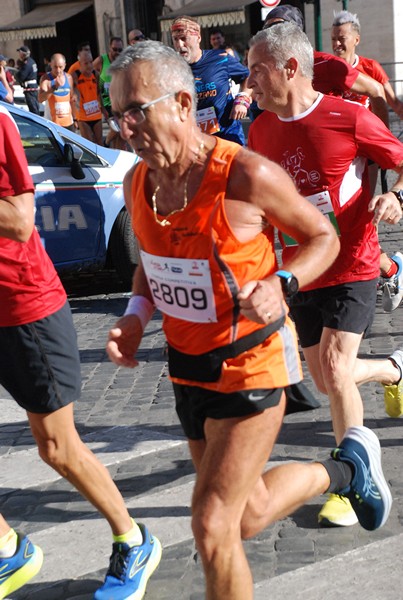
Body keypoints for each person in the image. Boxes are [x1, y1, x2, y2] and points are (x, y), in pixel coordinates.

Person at [106, 41, 392, 600]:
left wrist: (282, 283)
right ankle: (345, 472)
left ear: (184, 104)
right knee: (246, 513)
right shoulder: (137, 183)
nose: (126, 126)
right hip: (189, 370)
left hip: (253, 364)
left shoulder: (244, 175)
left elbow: (322, 237)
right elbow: (152, 262)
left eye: (137, 109)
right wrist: (137, 316)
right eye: (118, 114)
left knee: (213, 525)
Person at [0, 103, 161, 599]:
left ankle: (134, 540)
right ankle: (7, 549)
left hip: (23, 307)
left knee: (56, 446)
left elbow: (20, 218)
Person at [247, 22, 403, 532]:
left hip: (354, 258)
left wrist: (395, 195)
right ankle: (393, 371)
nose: (249, 82)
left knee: (335, 368)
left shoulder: (349, 117)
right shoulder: (259, 129)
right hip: (300, 270)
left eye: (257, 71)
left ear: (289, 69)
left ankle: (351, 477)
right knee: (324, 377)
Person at [331, 9, 403, 312]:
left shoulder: (371, 68)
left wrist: (386, 142)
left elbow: (392, 103)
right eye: (333, 39)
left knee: (360, 215)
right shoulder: (330, 70)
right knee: (344, 220)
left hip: (367, 157)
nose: (336, 44)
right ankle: (386, 268)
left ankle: (380, 269)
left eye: (342, 38)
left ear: (356, 39)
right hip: (338, 158)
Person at [171, 16, 251, 145]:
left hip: (228, 135)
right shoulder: (173, 69)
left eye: (184, 39)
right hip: (197, 140)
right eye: (175, 39)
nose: (180, 45)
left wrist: (242, 99)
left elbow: (247, 77)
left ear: (198, 38)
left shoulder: (220, 58)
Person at [93, 36, 127, 150]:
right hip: (106, 101)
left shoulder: (123, 62)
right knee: (118, 128)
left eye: (120, 50)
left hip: (119, 101)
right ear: (109, 48)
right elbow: (90, 74)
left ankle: (116, 153)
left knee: (120, 134)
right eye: (114, 49)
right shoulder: (102, 60)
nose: (117, 52)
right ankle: (106, 142)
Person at [38, 53, 77, 131]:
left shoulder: (69, 78)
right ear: (51, 65)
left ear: (65, 65)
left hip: (68, 123)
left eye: (60, 67)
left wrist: (75, 119)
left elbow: (72, 100)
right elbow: (41, 99)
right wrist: (54, 87)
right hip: (52, 124)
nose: (58, 70)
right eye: (55, 67)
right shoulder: (46, 79)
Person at [72, 51, 103, 145]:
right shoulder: (75, 76)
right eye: (86, 63)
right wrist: (74, 117)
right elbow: (71, 96)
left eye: (91, 62)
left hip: (96, 114)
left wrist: (104, 110)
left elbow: (99, 92)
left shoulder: (96, 74)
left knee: (99, 143)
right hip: (83, 117)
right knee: (89, 144)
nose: (89, 65)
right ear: (80, 64)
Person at [15, 45, 40, 114]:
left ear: (23, 54)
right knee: (35, 107)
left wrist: (17, 72)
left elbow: (21, 76)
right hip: (32, 87)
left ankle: (36, 123)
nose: (19, 54)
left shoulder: (27, 64)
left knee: (33, 108)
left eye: (20, 52)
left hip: (30, 88)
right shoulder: (32, 61)